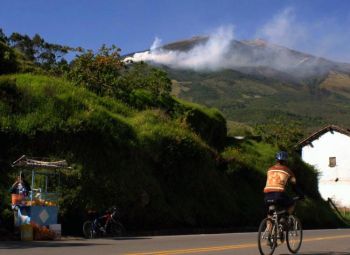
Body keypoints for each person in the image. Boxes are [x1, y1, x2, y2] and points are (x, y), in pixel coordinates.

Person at [264, 151, 304, 216]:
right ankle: (284, 218)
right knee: (292, 203)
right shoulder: (288, 171)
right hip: (279, 195)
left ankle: (269, 225)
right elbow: (294, 185)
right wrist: (301, 195)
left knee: (271, 212)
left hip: (267, 195)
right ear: (285, 161)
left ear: (276, 160)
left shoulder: (269, 169)